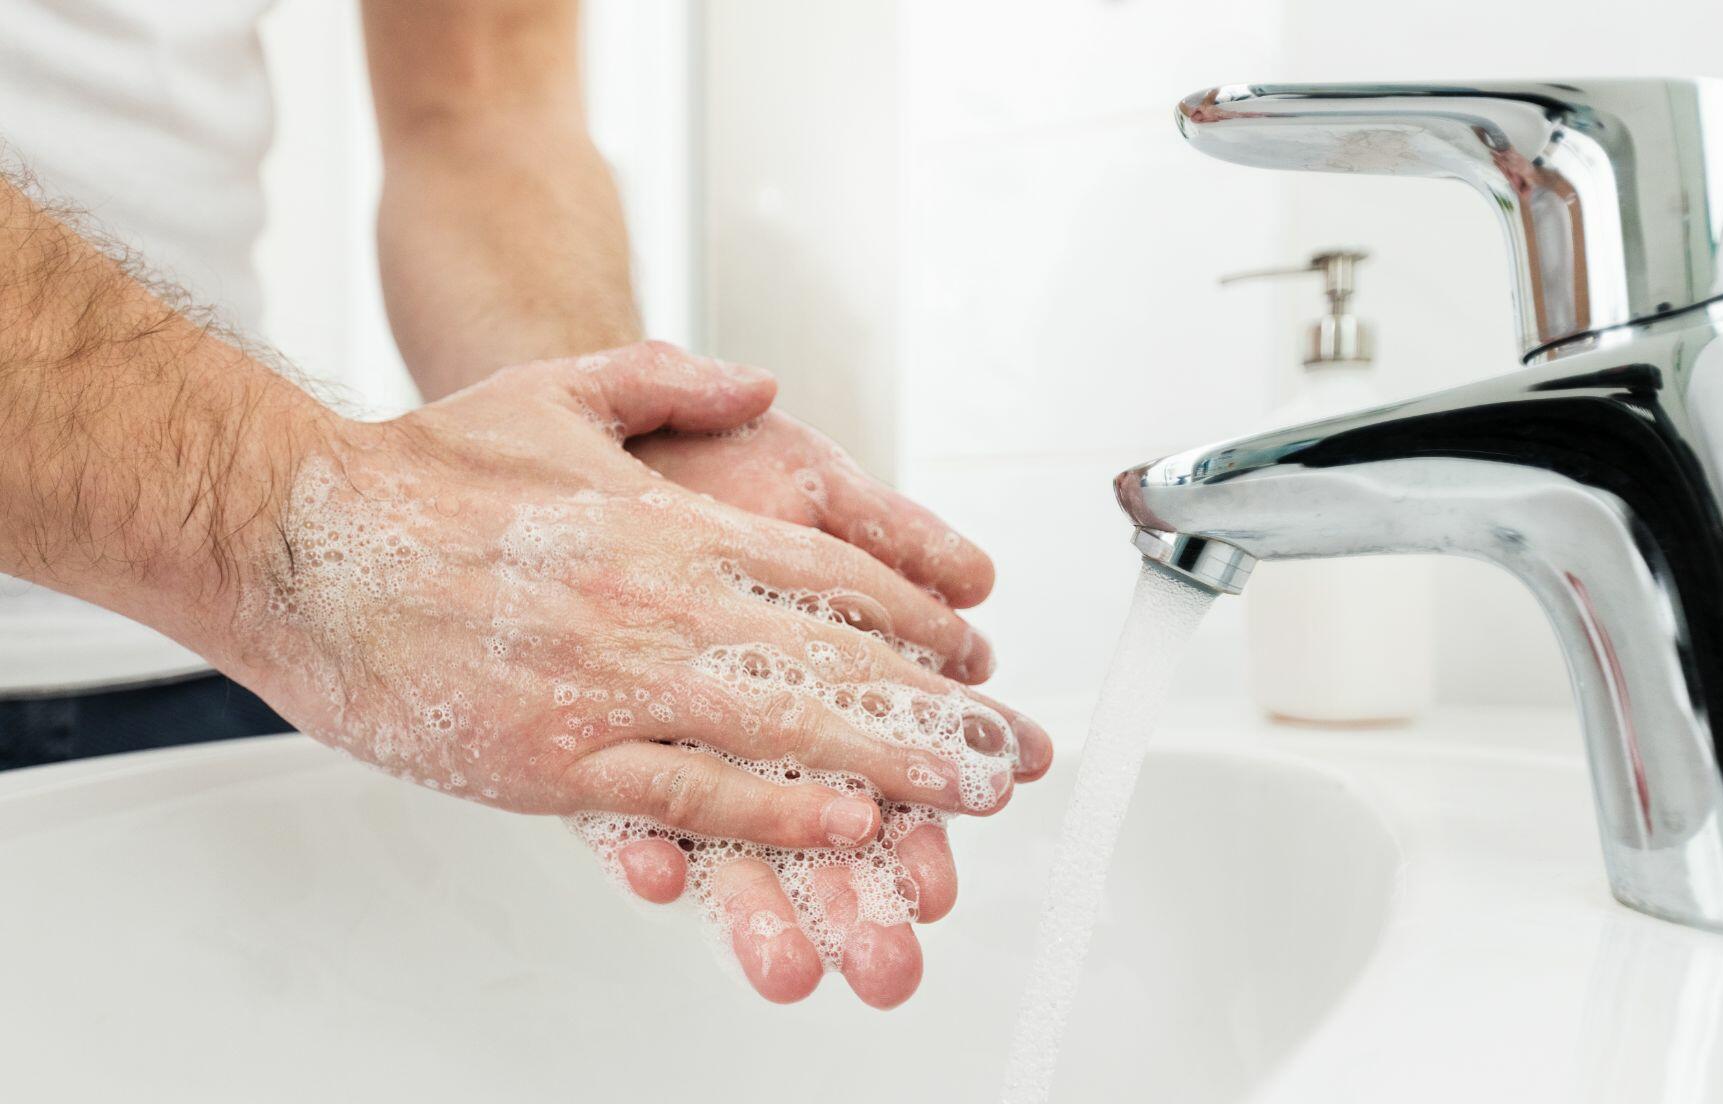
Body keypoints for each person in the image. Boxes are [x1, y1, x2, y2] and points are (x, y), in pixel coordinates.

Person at [0, 0, 1050, 1008]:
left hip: (206, 674)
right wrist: (292, 530)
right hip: (239, 587)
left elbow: (480, 102)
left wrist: (604, 478)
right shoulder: (291, 548)